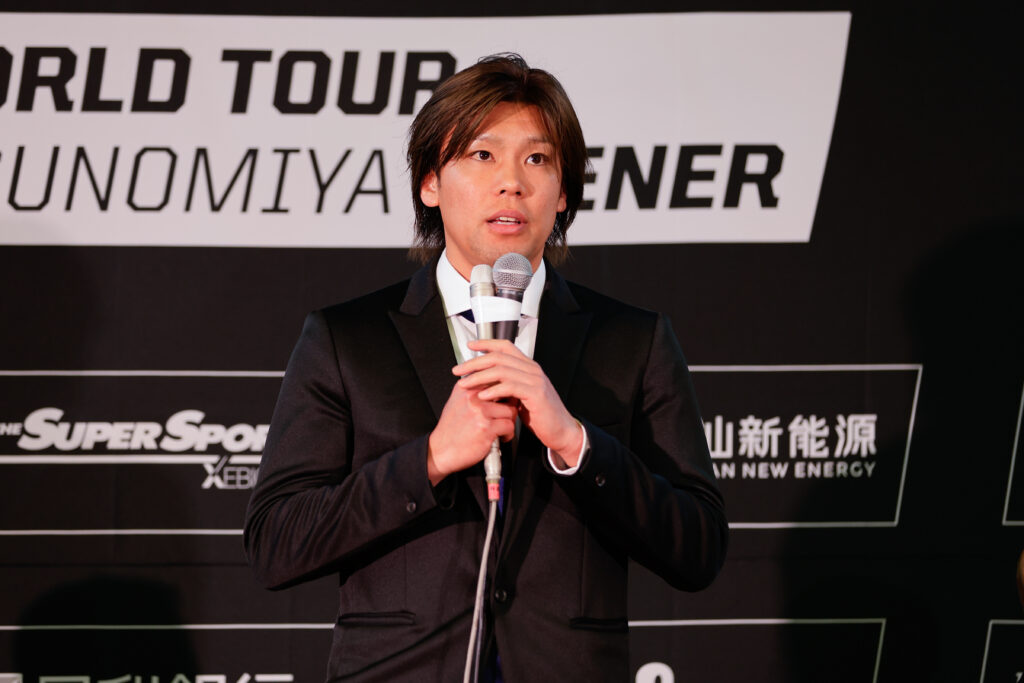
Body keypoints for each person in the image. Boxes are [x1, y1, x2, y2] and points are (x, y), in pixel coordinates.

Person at [244, 53, 727, 682]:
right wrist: (431, 458)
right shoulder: (346, 339)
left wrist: (576, 444)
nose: (512, 183)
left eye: (538, 159)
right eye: (482, 155)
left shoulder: (633, 341)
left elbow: (698, 549)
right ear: (430, 183)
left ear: (563, 193)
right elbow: (277, 543)